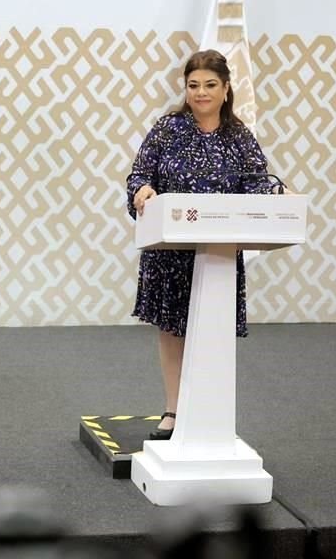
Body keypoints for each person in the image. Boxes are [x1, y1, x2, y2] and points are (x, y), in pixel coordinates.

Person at [126, 49, 278, 441]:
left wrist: (276, 195)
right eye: (193, 85)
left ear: (226, 89)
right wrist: (142, 189)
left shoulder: (239, 136)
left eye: (210, 85)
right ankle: (173, 409)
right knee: (172, 330)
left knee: (211, 331)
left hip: (218, 254)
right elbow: (139, 174)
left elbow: (258, 183)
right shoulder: (168, 128)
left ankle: (208, 410)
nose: (201, 92)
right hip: (170, 252)